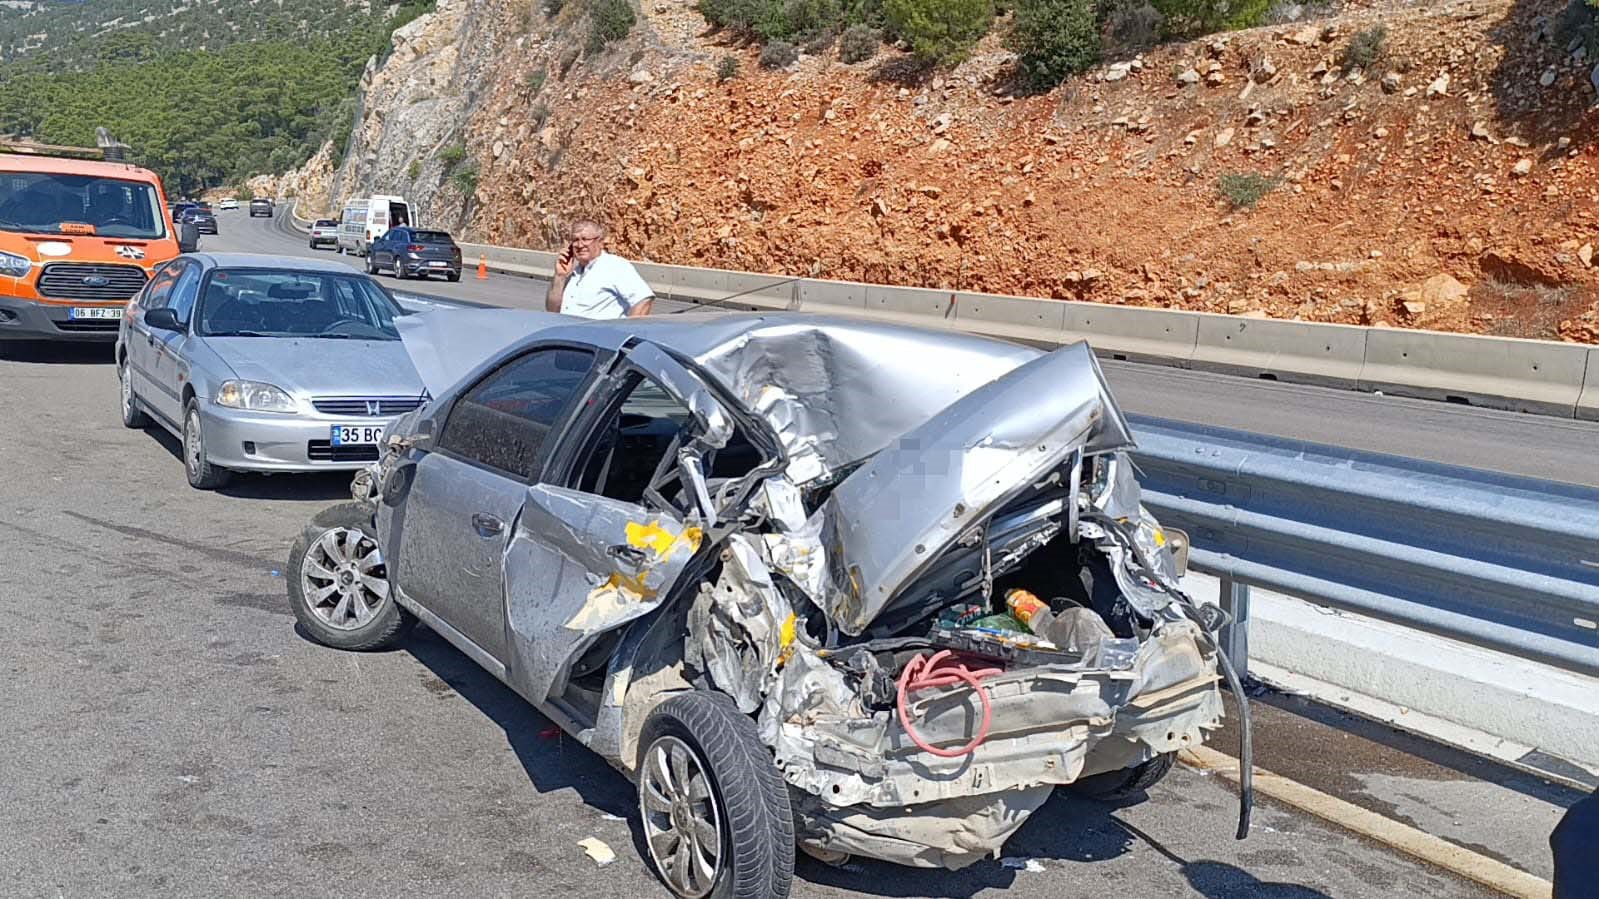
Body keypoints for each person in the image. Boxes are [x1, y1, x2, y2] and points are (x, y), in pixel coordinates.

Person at [545, 219, 654, 319]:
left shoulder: (615, 266)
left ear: (600, 242)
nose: (579, 245)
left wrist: (625, 332)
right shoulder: (572, 273)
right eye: (575, 240)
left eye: (585, 239)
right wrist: (559, 276)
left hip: (598, 338)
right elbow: (552, 310)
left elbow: (643, 299)